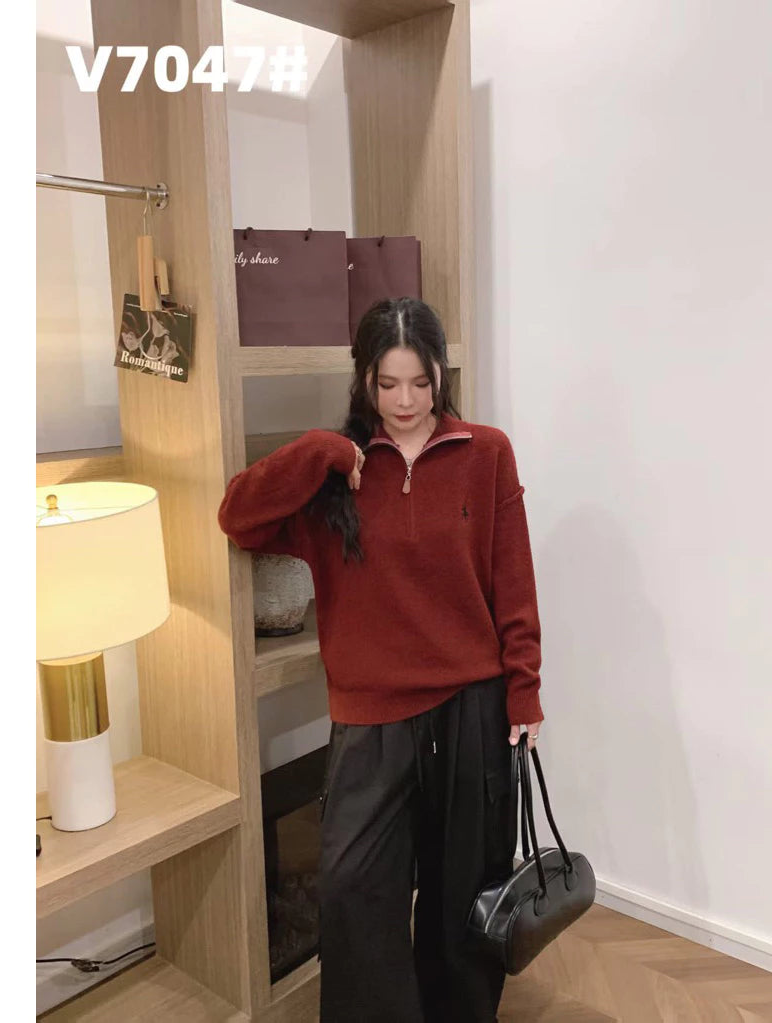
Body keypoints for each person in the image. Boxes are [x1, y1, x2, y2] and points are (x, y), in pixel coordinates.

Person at [217, 297, 545, 1022]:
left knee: (463, 896)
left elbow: (513, 580)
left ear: (441, 376)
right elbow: (237, 517)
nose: (404, 401)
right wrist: (318, 451)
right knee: (354, 895)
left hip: (472, 708)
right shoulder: (334, 473)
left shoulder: (485, 453)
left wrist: (523, 692)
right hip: (369, 719)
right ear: (363, 377)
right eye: (387, 383)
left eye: (421, 383)